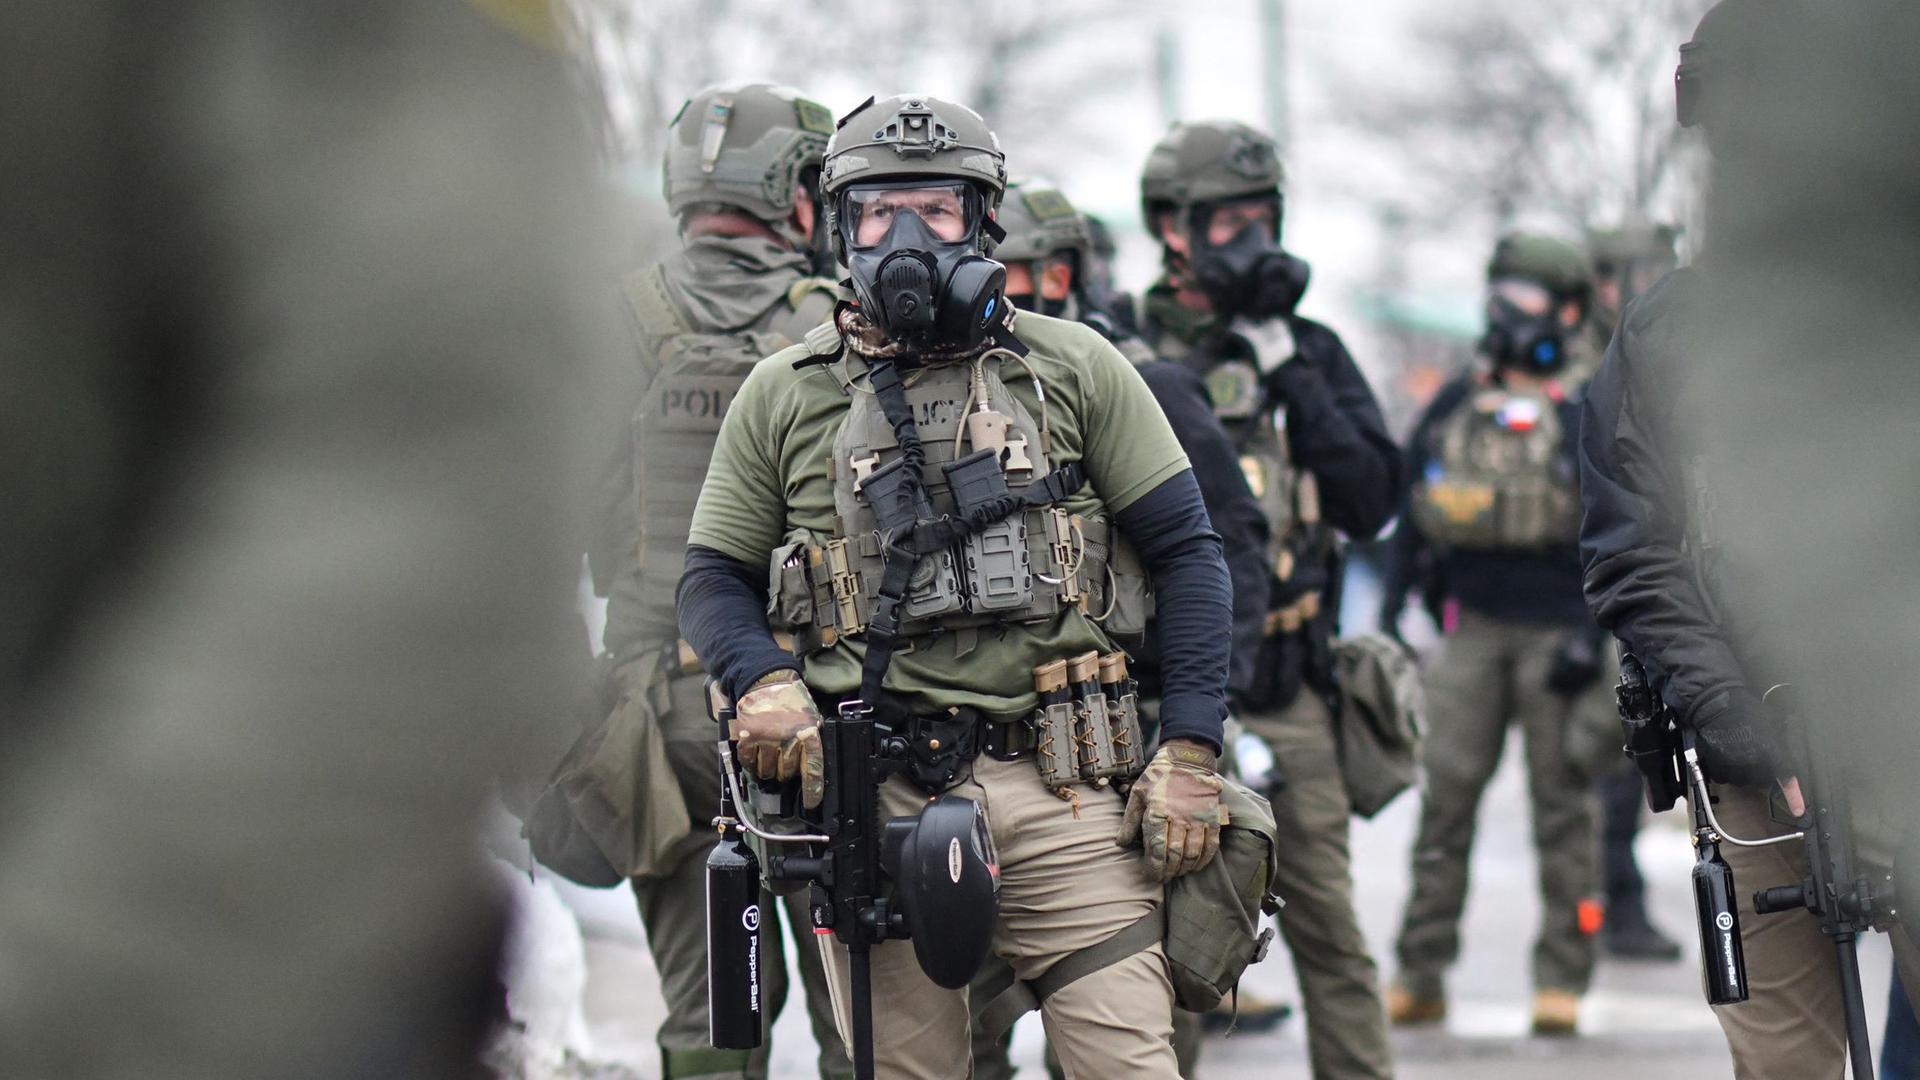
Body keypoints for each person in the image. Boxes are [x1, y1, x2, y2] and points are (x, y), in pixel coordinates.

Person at [676, 93, 1235, 1079]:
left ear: (984, 220)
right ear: (839, 226)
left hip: (1071, 796)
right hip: (878, 803)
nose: (905, 237)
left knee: (1129, 1066)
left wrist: (1189, 748)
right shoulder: (784, 391)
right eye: (879, 210)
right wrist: (762, 681)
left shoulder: (1077, 368)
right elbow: (712, 575)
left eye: (935, 210)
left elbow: (1190, 551)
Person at [1578, 2, 1920, 1073]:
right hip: (1756, 759)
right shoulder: (1670, 333)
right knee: (1784, 1058)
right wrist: (1735, 714)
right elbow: (1634, 550)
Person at [969, 180, 1287, 1080]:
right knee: (969, 1026)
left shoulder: (1125, 380)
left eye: (1019, 272)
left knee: (1131, 1010)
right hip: (1005, 752)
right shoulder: (940, 401)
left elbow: (1221, 551)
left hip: (1132, 729)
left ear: (1060, 276)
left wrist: (1203, 716)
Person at [589, 81, 850, 1080]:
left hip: (656, 717)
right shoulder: (838, 326)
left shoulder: (612, 321)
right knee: (859, 1018)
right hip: (819, 716)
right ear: (793, 191)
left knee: (710, 1019)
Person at [1136, 118, 1402, 1080]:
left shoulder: (1309, 351)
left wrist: (1287, 362)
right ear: (1172, 227)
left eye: (1261, 217)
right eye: (1224, 220)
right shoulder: (1118, 347)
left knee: (1330, 929)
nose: (1248, 237)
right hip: (1170, 699)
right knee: (1170, 950)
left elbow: (1374, 500)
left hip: (1293, 689)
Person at [1379, 232, 1616, 1035]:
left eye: (1526, 297)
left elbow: (1618, 528)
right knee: (1444, 804)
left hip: (1559, 634)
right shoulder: (1456, 403)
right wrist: (1394, 613)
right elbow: (1412, 512)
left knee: (1563, 812)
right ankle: (1420, 970)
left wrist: (1596, 631)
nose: (1505, 313)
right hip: (1472, 631)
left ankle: (1563, 979)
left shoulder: (1589, 406)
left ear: (1568, 309)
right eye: (1500, 294)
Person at [1577, 222, 1686, 963]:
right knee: (1606, 774)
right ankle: (1611, 908)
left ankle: (1620, 905)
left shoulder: (1669, 348)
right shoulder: (1595, 365)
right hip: (1597, 599)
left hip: (1644, 594)